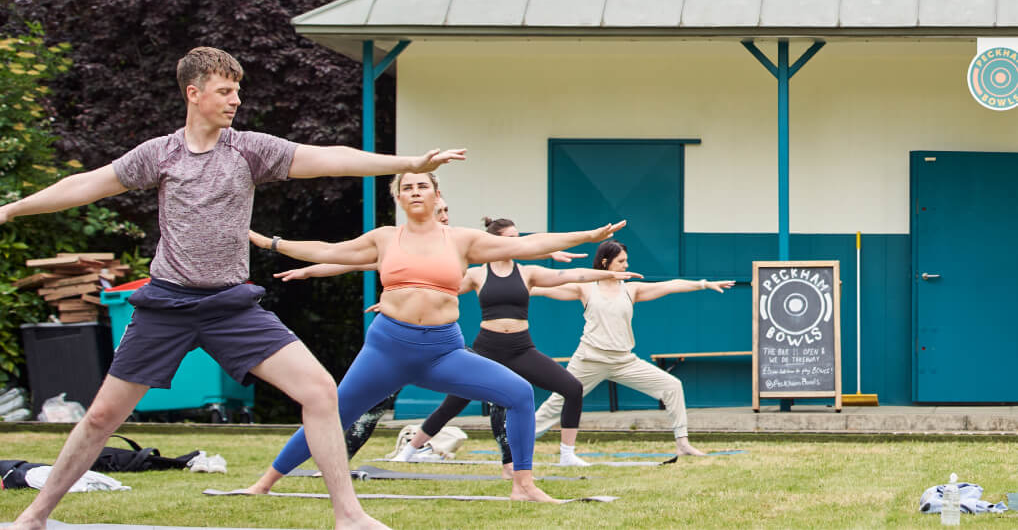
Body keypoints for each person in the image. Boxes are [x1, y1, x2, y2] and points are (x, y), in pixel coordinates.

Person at [0, 46, 465, 530]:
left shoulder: (249, 149)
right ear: (194, 93)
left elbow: (330, 159)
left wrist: (409, 161)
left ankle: (349, 516)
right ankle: (34, 517)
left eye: (238, 91)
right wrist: (11, 210)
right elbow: (88, 184)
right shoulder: (160, 154)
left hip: (230, 306)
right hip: (166, 305)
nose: (236, 100)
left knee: (321, 391)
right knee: (101, 418)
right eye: (225, 91)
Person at [241, 171, 626, 502]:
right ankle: (265, 483)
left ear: (436, 194)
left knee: (520, 394)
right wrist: (272, 243)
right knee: (331, 412)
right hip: (387, 347)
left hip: (442, 350)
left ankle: (523, 485)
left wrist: (587, 236)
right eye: (406, 187)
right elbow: (332, 252)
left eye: (422, 186)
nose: (414, 191)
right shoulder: (385, 238)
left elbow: (526, 244)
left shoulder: (462, 240)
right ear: (398, 197)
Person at [272, 185, 588, 463]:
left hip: (438, 341)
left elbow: (516, 248)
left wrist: (556, 249)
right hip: (398, 341)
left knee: (493, 396)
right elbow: (355, 259)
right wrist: (313, 270)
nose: (447, 215)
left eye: (448, 210)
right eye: (442, 210)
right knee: (366, 406)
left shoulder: (456, 243)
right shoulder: (401, 241)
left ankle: (504, 465)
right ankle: (345, 456)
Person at [395, 215, 643, 474]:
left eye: (518, 238)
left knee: (572, 388)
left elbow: (573, 274)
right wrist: (400, 303)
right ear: (493, 242)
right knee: (453, 403)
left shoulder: (527, 273)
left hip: (521, 348)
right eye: (510, 239)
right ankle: (410, 450)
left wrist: (610, 273)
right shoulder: (477, 275)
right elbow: (439, 291)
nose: (518, 243)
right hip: (486, 350)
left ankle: (567, 454)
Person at [530, 239, 734, 459]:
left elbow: (668, 286)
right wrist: (511, 288)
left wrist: (703, 284)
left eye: (626, 260)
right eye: (621, 261)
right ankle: (516, 441)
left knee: (672, 386)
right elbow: (540, 288)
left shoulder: (631, 290)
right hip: (589, 360)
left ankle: (683, 444)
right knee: (556, 403)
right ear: (606, 262)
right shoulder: (586, 288)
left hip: (624, 361)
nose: (626, 265)